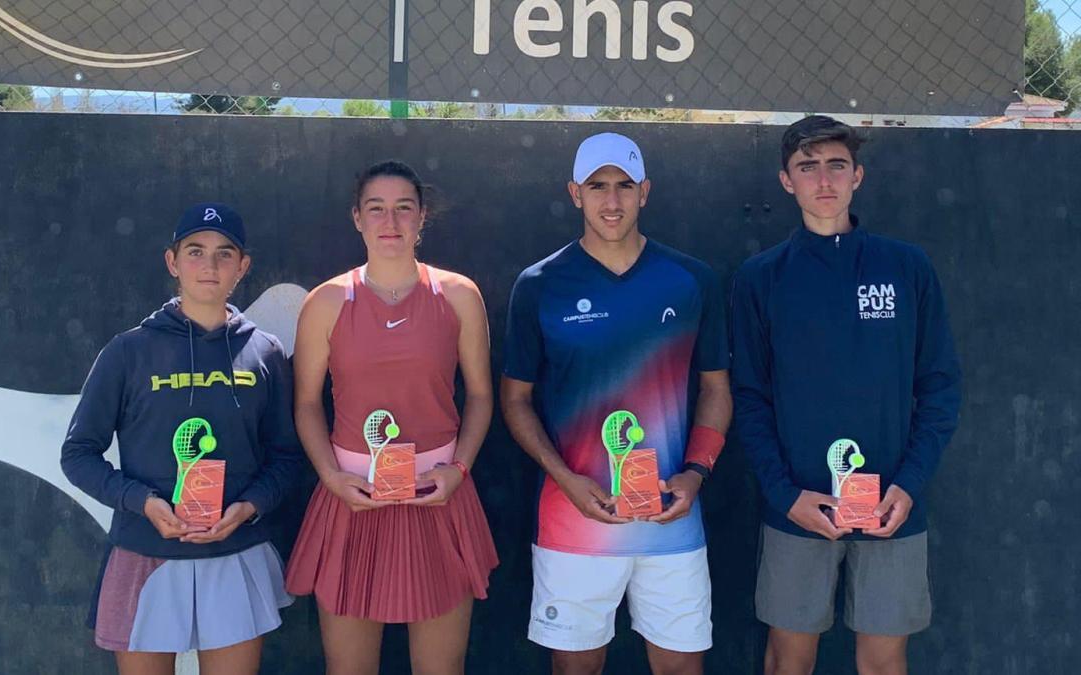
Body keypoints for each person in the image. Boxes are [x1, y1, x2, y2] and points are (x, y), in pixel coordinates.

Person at [731, 115, 962, 675]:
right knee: (789, 660)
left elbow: (939, 387)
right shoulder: (760, 278)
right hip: (797, 507)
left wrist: (907, 485)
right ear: (787, 181)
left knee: (883, 662)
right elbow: (750, 398)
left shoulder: (906, 268)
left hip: (890, 507)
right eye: (807, 168)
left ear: (858, 175)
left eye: (836, 165)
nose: (823, 180)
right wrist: (786, 495)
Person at [500, 132, 732, 675]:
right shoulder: (540, 284)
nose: (612, 200)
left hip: (671, 519)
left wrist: (695, 475)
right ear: (574, 193)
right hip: (573, 519)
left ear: (645, 191)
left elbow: (717, 390)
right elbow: (515, 400)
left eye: (624, 185)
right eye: (597, 186)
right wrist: (564, 478)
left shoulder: (691, 279)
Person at [61, 202, 304, 675]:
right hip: (145, 551)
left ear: (243, 267)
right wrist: (143, 502)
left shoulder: (265, 352)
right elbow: (78, 454)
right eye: (195, 251)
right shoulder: (128, 351)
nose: (209, 266)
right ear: (172, 262)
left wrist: (249, 506)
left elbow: (287, 458)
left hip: (235, 551)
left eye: (223, 254)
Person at [284, 160, 498, 675]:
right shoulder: (327, 302)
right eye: (376, 209)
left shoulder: (459, 295)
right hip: (352, 501)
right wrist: (333, 478)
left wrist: (458, 470)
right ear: (356, 218)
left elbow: (482, 397)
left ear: (422, 218)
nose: (391, 221)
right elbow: (308, 405)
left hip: (438, 498)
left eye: (404, 208)